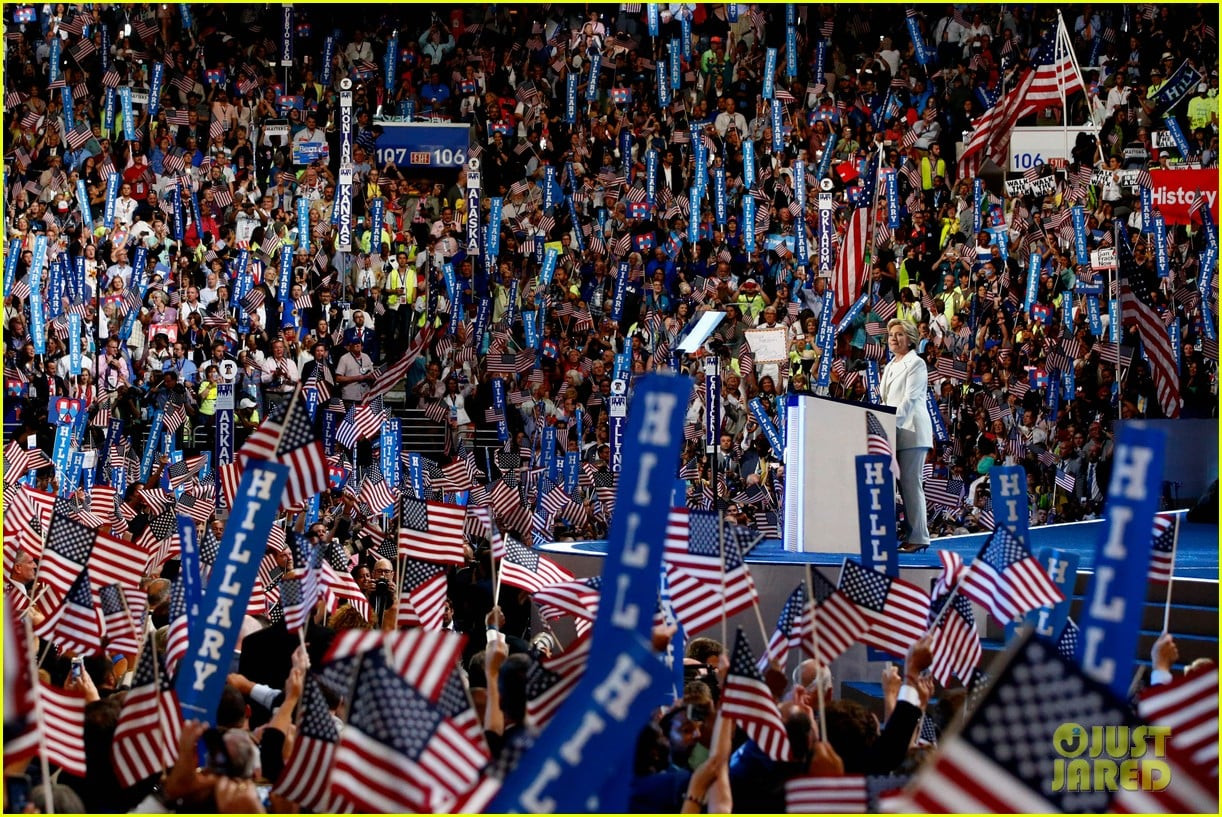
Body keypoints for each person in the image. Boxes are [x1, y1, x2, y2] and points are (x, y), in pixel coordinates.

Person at [880, 319, 933, 552]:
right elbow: (886, 401)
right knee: (901, 486)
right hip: (894, 432)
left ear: (910, 339)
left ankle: (919, 537)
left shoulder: (916, 363)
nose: (894, 338)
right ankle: (909, 532)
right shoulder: (890, 364)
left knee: (911, 485)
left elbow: (910, 400)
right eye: (891, 334)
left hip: (911, 430)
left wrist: (889, 423)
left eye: (899, 334)